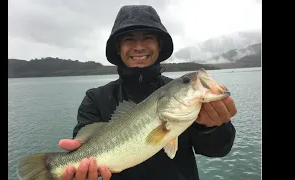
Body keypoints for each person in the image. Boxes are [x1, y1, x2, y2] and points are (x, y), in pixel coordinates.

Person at [58, 4, 237, 180]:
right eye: (129, 39)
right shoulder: (95, 98)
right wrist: (80, 162)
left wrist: (212, 127)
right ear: (118, 49)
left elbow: (219, 149)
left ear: (159, 46)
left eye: (148, 38)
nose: (139, 47)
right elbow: (83, 142)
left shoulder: (190, 104)